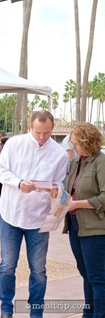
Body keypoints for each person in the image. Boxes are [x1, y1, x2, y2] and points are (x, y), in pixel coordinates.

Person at [0, 110, 69, 318]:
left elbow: (61, 182)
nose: (42, 137)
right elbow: (1, 171)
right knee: (8, 265)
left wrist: (56, 189)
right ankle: (6, 309)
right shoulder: (14, 144)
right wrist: (18, 183)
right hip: (11, 213)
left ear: (52, 129)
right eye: (38, 132)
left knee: (38, 269)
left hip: (39, 218)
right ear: (30, 127)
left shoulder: (59, 154)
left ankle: (36, 312)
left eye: (46, 133)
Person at [62, 123, 105, 317]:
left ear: (88, 142)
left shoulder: (101, 162)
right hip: (75, 226)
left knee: (97, 277)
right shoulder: (76, 162)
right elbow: (69, 190)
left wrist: (77, 204)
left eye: (76, 143)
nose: (73, 147)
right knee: (86, 274)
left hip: (95, 228)